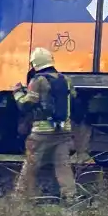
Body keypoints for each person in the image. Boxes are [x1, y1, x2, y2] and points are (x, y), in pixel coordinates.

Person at [12, 47, 79, 202]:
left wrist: (17, 92)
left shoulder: (38, 80)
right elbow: (74, 102)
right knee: (63, 166)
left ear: (35, 64)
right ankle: (70, 197)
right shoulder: (66, 80)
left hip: (42, 132)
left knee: (31, 165)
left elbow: (26, 104)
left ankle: (20, 196)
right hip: (64, 131)